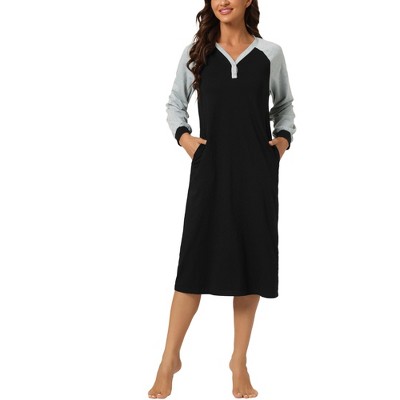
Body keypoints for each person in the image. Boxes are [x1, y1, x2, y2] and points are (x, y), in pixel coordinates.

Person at [148, 0, 296, 398]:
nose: (224, 1)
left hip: (256, 173)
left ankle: (239, 361)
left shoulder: (270, 54)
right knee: (193, 261)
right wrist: (185, 139)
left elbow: (284, 105)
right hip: (210, 170)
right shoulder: (197, 53)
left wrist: (282, 142)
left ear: (249, 0)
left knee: (250, 262)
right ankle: (169, 359)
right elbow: (174, 103)